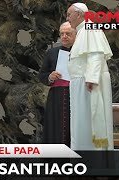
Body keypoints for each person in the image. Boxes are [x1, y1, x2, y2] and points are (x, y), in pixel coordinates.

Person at [67, 3, 113, 150]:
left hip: (88, 83)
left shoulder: (89, 28)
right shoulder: (82, 31)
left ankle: (93, 161)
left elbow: (96, 54)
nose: (67, 19)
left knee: (89, 122)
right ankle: (84, 160)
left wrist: (91, 79)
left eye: (69, 15)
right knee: (81, 123)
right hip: (82, 83)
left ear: (79, 14)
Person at [38, 22, 76, 146]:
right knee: (55, 127)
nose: (64, 36)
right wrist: (50, 77)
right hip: (57, 97)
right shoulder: (52, 53)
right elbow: (42, 75)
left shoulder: (82, 52)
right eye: (62, 34)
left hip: (76, 95)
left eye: (68, 34)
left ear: (76, 35)